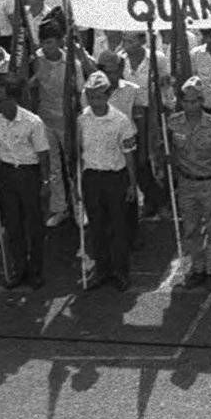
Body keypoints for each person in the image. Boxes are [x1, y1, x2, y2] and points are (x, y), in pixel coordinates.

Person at [76, 69, 141, 291]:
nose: (95, 101)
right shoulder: (82, 119)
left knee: (118, 226)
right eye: (91, 97)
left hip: (115, 177)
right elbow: (77, 151)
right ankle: (101, 269)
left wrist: (133, 184)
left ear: (107, 96)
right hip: (92, 177)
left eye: (99, 96)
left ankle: (121, 271)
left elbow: (129, 152)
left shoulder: (120, 120)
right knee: (97, 227)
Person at [0, 72, 52, 288]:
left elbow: (43, 155)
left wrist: (45, 182)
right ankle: (18, 268)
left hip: (29, 174)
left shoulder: (33, 122)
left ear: (13, 100)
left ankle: (36, 271)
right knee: (12, 225)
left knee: (34, 224)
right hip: (7, 173)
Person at [167, 76, 211, 287]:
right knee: (191, 229)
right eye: (186, 101)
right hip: (186, 183)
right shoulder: (173, 122)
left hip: (210, 182)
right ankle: (197, 268)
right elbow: (169, 149)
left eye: (194, 101)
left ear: (201, 101)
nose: (190, 105)